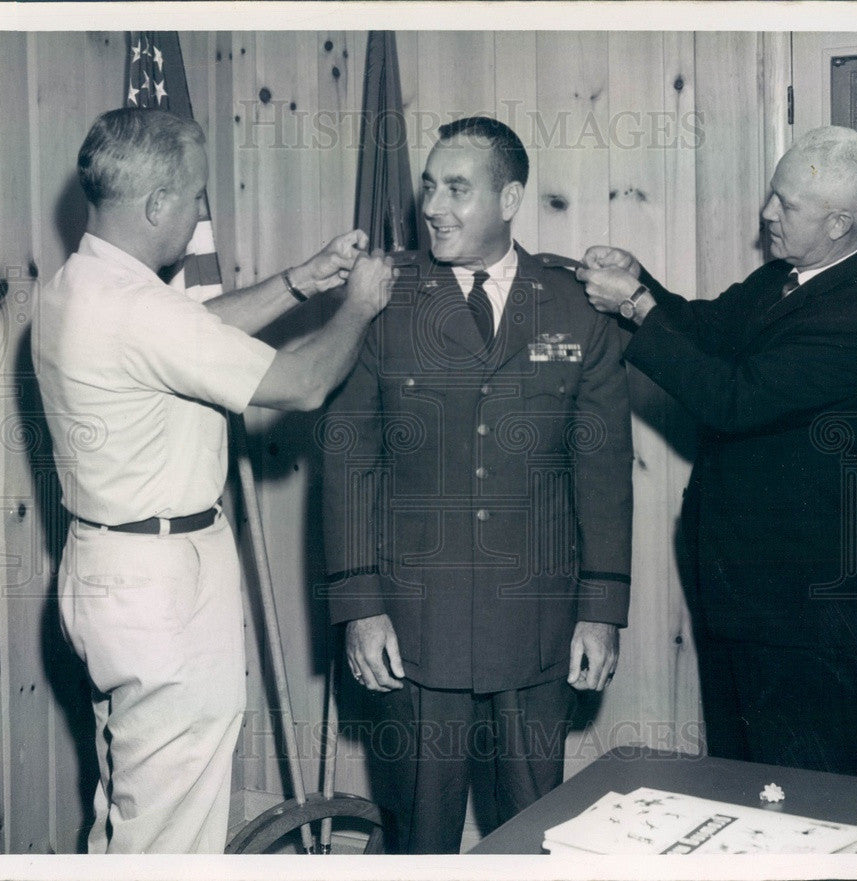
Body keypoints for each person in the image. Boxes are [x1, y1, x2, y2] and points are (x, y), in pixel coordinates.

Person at [33, 107, 394, 853]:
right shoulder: (137, 311)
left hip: (103, 571)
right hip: (162, 592)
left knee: (130, 812)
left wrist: (298, 283)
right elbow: (301, 384)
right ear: (158, 204)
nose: (203, 211)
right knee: (175, 837)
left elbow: (190, 332)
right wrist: (356, 307)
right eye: (197, 197)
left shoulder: (79, 282)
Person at [321, 116, 633, 853]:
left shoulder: (573, 305)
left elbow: (603, 472)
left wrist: (602, 609)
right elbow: (346, 460)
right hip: (414, 624)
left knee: (537, 834)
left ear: (511, 196)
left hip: (536, 623)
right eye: (429, 186)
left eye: (457, 189)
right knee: (419, 838)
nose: (433, 206)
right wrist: (360, 605)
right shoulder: (382, 301)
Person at [576, 125, 857, 777]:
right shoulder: (784, 280)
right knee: (738, 786)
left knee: (809, 805)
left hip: (805, 615)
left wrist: (638, 306)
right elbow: (704, 329)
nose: (766, 214)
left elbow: (734, 397)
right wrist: (640, 281)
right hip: (741, 595)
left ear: (839, 221)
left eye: (786, 205)